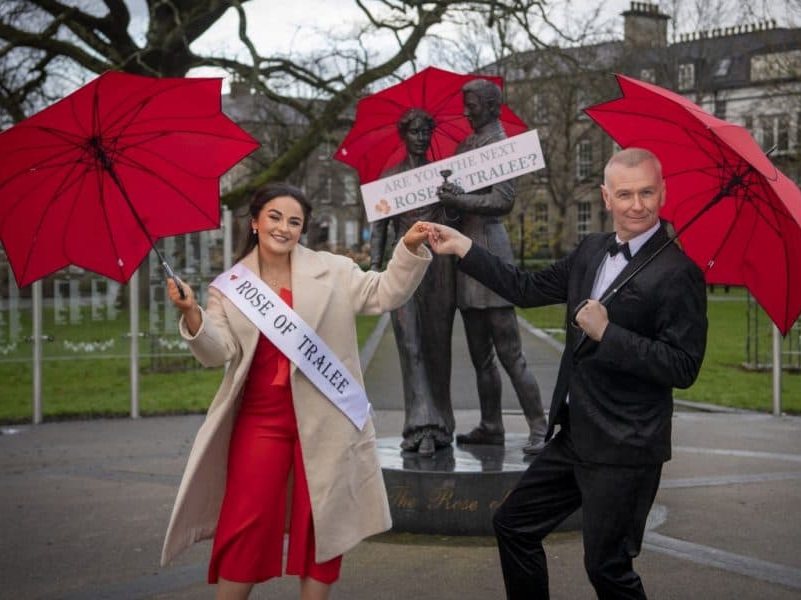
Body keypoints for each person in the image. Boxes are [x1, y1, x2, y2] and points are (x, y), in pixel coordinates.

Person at [428, 148, 708, 599]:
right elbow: (525, 287)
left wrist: (608, 333)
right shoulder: (592, 250)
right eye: (625, 194)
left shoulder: (679, 273)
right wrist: (463, 247)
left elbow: (683, 366)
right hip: (577, 435)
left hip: (626, 446)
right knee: (514, 527)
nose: (637, 204)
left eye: (646, 192)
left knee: (607, 569)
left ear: (663, 191)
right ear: (606, 197)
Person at [159, 182, 433, 600]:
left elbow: (384, 292)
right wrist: (192, 314)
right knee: (243, 525)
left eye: (294, 222)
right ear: (254, 222)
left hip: (327, 418)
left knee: (321, 522)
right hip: (260, 422)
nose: (283, 228)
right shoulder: (229, 287)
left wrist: (408, 250)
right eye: (274, 217)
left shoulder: (333, 270)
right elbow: (219, 353)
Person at [436, 78, 548, 454]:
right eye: (465, 104)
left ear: (491, 105)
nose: (466, 111)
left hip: (491, 252)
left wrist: (461, 200)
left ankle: (539, 426)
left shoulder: (500, 144)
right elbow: (461, 206)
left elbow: (502, 201)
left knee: (509, 352)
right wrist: (450, 202)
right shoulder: (466, 145)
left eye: (472, 105)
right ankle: (491, 424)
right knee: (479, 353)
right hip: (465, 254)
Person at [369, 108, 457, 456]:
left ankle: (443, 425)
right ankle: (420, 427)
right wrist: (375, 270)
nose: (421, 137)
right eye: (415, 131)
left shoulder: (443, 176)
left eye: (426, 131)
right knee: (411, 346)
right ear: (404, 135)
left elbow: (455, 221)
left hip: (440, 270)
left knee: (438, 347)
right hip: (401, 268)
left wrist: (452, 198)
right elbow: (379, 228)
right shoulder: (390, 179)